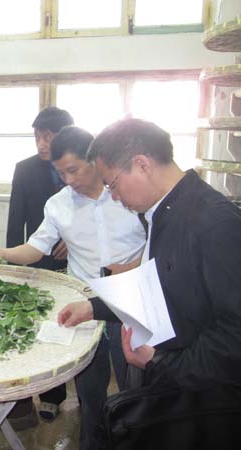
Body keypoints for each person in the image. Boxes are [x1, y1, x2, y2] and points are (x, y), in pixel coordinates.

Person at [60, 118, 241, 445]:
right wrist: (94, 308)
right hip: (174, 382)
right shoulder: (163, 213)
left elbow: (235, 337)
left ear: (142, 165)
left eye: (112, 184)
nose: (114, 197)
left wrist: (160, 363)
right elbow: (157, 289)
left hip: (202, 404)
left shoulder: (214, 223)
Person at [0, 126, 146, 450]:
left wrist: (132, 267)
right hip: (85, 307)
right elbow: (36, 248)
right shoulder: (59, 205)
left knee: (134, 389)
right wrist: (2, 254)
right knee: (89, 392)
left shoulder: (128, 193)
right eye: (61, 173)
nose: (69, 180)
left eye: (74, 170)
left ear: (94, 160)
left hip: (130, 302)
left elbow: (156, 244)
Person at [5, 106, 73, 426]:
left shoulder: (81, 169)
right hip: (35, 260)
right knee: (37, 325)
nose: (41, 144)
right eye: (37, 138)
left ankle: (55, 395)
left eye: (48, 137)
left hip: (73, 263)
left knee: (65, 323)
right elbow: (15, 222)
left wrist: (72, 239)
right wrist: (11, 267)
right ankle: (35, 392)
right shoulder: (24, 169)